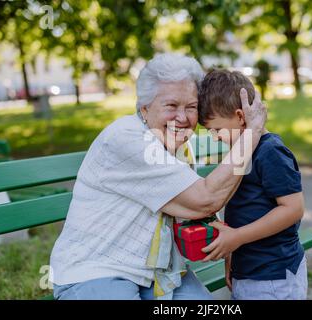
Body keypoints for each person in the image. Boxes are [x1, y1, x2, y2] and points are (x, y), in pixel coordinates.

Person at [49, 53, 267, 300]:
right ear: (145, 108)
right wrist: (252, 133)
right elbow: (205, 199)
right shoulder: (127, 139)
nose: (183, 118)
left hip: (160, 274)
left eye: (191, 107)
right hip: (97, 270)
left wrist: (229, 249)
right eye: (171, 106)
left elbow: (198, 208)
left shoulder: (180, 146)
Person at [198, 69, 307, 300]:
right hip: (248, 271)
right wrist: (232, 257)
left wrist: (237, 238)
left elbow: (293, 208)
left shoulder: (270, 152)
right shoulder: (242, 152)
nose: (214, 137)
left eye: (216, 129)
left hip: (273, 276)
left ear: (240, 117)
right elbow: (242, 209)